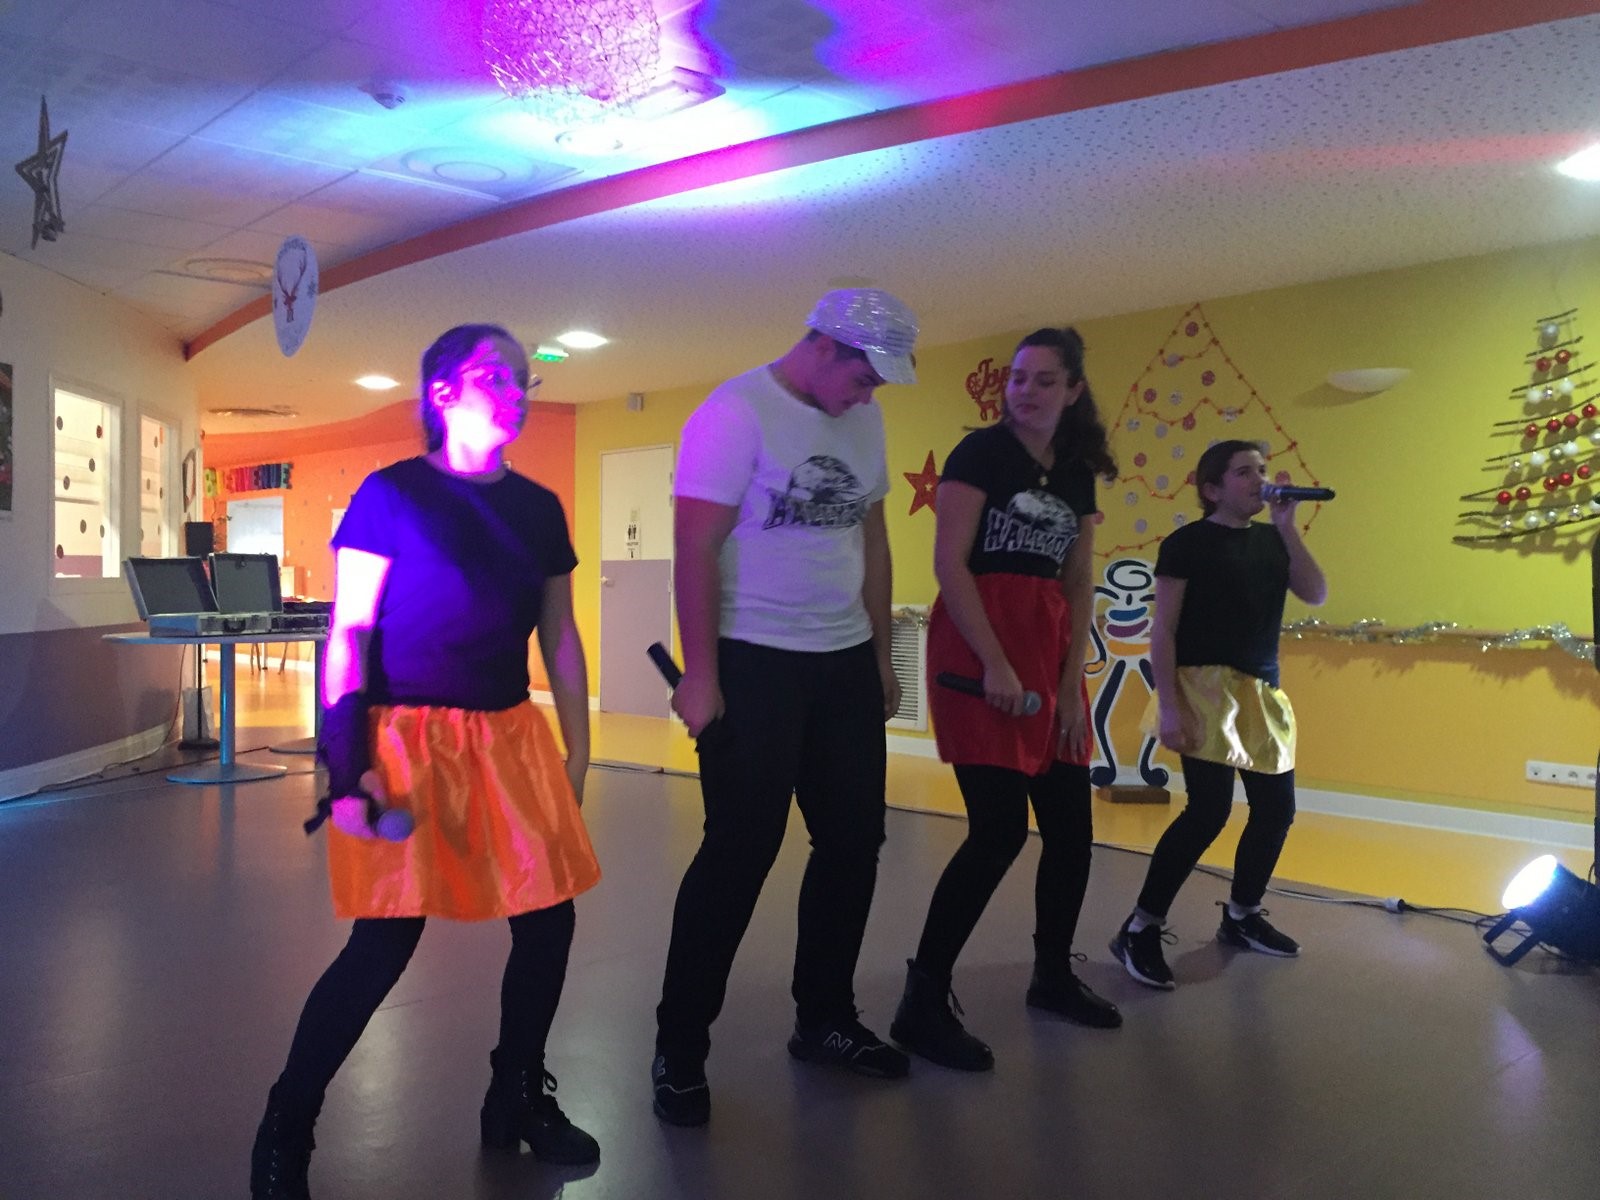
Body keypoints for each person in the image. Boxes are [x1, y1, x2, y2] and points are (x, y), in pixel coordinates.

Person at [250, 325, 602, 1198]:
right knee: (382, 944)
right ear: (443, 391)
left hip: (508, 738)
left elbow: (559, 635)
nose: (517, 390)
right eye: (497, 376)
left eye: (524, 378)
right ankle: (287, 1123)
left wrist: (579, 749)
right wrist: (346, 763)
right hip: (405, 739)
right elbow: (349, 635)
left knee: (548, 923)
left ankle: (515, 1094)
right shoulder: (391, 494)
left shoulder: (539, 508)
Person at [651, 289, 919, 1127]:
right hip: (753, 657)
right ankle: (680, 1047)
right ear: (825, 347)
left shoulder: (865, 421)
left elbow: (873, 538)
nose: (868, 396)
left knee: (853, 843)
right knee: (739, 852)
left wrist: (879, 653)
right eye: (865, 378)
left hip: (841, 659)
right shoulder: (734, 414)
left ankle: (825, 1019)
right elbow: (695, 544)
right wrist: (702, 673)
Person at [889, 327, 1122, 1073]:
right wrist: (994, 662)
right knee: (997, 833)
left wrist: (1070, 688)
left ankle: (1052, 976)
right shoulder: (979, 454)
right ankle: (922, 1001)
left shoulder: (1076, 471)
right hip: (978, 651)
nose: (1025, 390)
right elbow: (949, 564)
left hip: (1048, 658)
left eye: (1044, 380)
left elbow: (1078, 580)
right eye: (1018, 377)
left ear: (1073, 390)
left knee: (1072, 832)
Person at [1109, 439, 1328, 990]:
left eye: (1261, 469)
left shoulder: (1273, 540)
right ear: (1212, 488)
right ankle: (1141, 926)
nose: (1258, 479)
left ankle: (1242, 915)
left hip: (1261, 691)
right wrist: (1169, 705)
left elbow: (1316, 592)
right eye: (1243, 472)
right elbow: (1163, 630)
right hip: (1202, 688)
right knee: (1207, 812)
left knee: (1276, 809)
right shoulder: (1187, 544)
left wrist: (1287, 527)